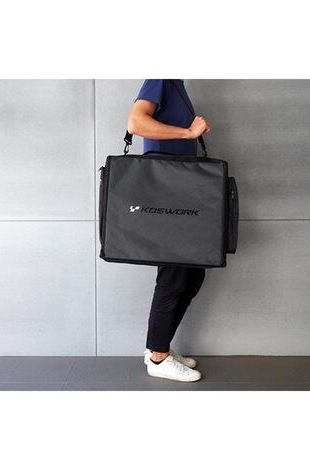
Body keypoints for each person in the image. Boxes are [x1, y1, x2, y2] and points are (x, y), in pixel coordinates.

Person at [126, 79, 211, 382]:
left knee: (192, 274)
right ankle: (158, 357)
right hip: (167, 186)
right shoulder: (159, 77)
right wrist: (188, 133)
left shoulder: (176, 83)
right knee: (174, 273)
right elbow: (136, 123)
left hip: (180, 186)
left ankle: (158, 347)